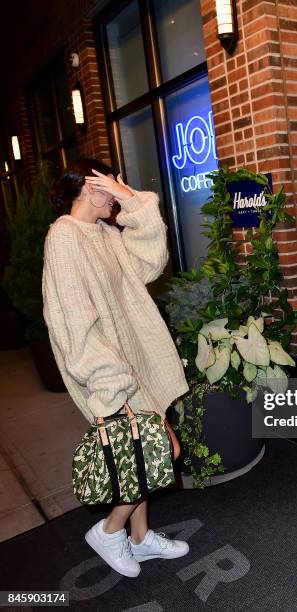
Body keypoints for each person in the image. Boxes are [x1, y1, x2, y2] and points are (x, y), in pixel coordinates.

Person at [42, 158, 191, 577]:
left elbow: (150, 259)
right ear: (90, 188)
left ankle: (141, 539)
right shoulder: (65, 238)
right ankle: (110, 531)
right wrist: (110, 383)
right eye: (110, 184)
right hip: (112, 375)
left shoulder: (104, 233)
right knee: (164, 450)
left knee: (137, 457)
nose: (119, 191)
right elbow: (72, 319)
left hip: (135, 362)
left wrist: (130, 199)